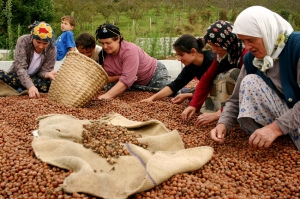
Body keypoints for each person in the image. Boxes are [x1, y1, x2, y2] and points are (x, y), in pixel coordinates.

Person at [210, 6, 300, 151]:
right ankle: (284, 142)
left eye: (251, 40)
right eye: (243, 41)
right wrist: (223, 123)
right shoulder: (252, 59)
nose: (247, 46)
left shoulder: (296, 47)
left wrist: (275, 129)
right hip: (285, 119)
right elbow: (235, 99)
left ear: (267, 32)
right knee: (249, 82)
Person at [181, 20, 247, 125]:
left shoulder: (245, 56)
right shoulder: (222, 57)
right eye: (211, 46)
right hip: (230, 101)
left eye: (216, 46)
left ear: (227, 42)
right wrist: (193, 105)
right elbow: (206, 79)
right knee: (215, 79)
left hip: (242, 100)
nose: (213, 50)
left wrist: (219, 114)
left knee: (234, 73)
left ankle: (231, 115)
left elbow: (247, 92)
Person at [95, 23, 172, 99]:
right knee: (108, 88)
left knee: (171, 93)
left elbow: (127, 79)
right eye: (102, 43)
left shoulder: (129, 51)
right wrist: (118, 77)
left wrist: (107, 96)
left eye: (108, 43)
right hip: (132, 84)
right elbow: (104, 77)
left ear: (117, 39)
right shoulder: (102, 55)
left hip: (152, 75)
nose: (105, 47)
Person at [141, 34, 215, 103]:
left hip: (220, 94)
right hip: (207, 90)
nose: (179, 59)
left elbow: (216, 89)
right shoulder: (191, 66)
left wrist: (188, 95)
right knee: (186, 91)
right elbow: (175, 85)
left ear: (193, 52)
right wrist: (151, 98)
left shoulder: (212, 60)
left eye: (181, 55)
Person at [0, 21, 57, 98]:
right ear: (32, 37)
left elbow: (43, 71)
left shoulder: (52, 49)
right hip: (17, 76)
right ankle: (24, 87)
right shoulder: (23, 41)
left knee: (50, 85)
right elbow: (20, 67)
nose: (41, 46)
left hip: (35, 79)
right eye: (38, 42)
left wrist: (47, 74)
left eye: (45, 43)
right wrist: (30, 86)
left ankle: (18, 88)